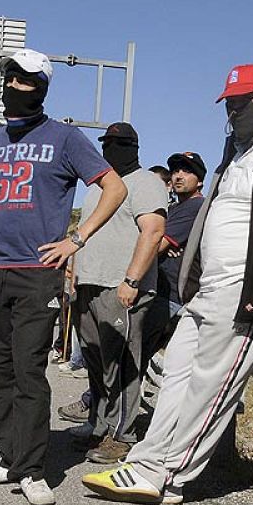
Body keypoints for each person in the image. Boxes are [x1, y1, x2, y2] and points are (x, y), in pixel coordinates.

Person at [82, 64, 253, 505]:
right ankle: (147, 463)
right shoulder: (241, 152)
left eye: (244, 99)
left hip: (246, 290)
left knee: (209, 386)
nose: (236, 108)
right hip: (208, 289)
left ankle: (169, 474)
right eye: (230, 101)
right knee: (175, 378)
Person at [0, 48, 128, 505]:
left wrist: (77, 238)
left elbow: (115, 187)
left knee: (28, 370)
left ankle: (31, 470)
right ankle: (7, 454)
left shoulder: (65, 138)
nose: (15, 87)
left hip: (37, 275)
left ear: (43, 88)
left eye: (26, 81)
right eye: (10, 78)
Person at [67, 122, 168, 464]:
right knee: (96, 362)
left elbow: (153, 232)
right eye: (107, 143)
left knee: (122, 364)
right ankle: (98, 425)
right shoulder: (98, 187)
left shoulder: (147, 183)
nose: (111, 148)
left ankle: (122, 435)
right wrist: (74, 280)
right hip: (89, 285)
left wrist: (133, 280)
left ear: (133, 147)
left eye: (118, 143)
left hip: (121, 287)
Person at [140, 152, 207, 400]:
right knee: (134, 355)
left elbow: (154, 244)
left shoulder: (196, 207)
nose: (179, 175)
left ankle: (109, 419)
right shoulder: (175, 208)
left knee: (132, 355)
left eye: (187, 171)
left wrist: (157, 244)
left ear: (199, 180)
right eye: (176, 170)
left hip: (170, 294)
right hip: (161, 290)